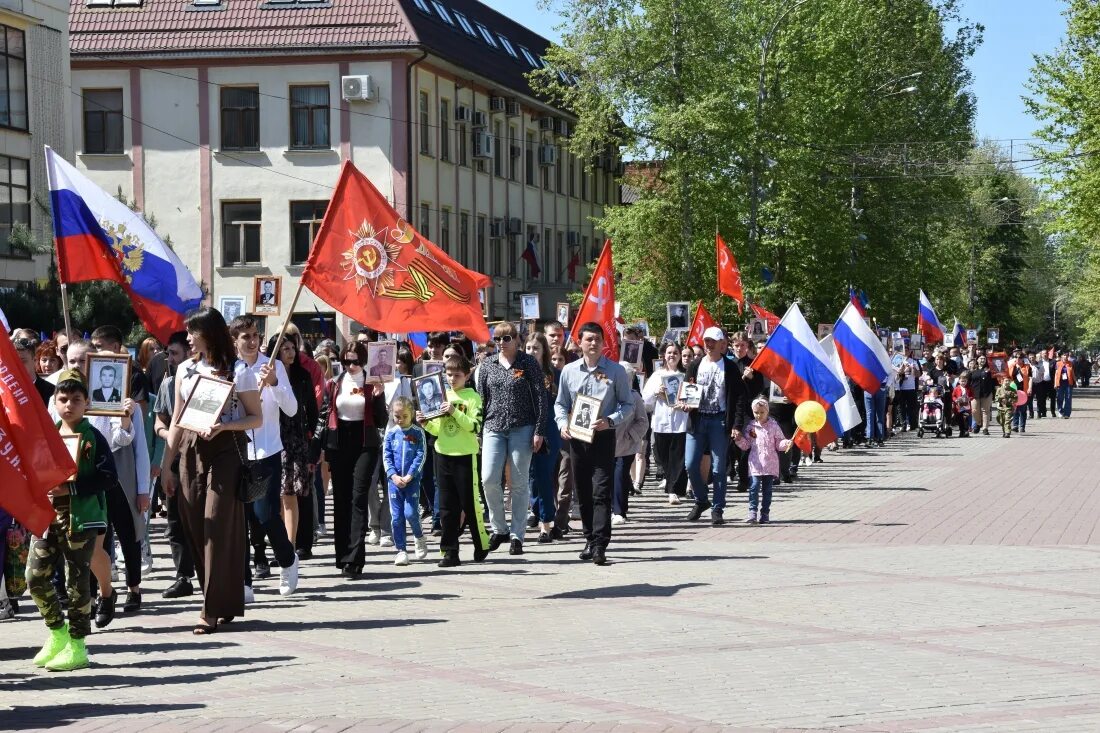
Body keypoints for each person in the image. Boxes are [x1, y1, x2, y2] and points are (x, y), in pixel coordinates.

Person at [160, 308, 263, 634]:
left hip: (226, 452)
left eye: (193, 332)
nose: (188, 338)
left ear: (210, 333)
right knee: (195, 527)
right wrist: (165, 467)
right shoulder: (185, 370)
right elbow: (176, 419)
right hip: (190, 452)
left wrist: (224, 426)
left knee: (217, 527)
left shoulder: (239, 370)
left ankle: (210, 610)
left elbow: (255, 418)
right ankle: (223, 600)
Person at [28, 369, 115, 671]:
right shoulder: (50, 435)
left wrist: (72, 487)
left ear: (86, 403)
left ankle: (78, 645)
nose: (69, 405)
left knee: (77, 582)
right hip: (48, 516)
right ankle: (58, 633)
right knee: (35, 576)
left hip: (80, 518)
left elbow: (108, 478)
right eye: (63, 399)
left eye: (76, 400)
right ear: (55, 401)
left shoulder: (93, 438)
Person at [230, 316, 300, 598]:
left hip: (267, 449)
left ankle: (287, 559)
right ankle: (244, 581)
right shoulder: (229, 368)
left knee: (265, 514)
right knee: (240, 519)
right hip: (237, 452)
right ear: (234, 340)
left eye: (255, 335)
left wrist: (273, 384)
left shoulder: (274, 366)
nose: (252, 340)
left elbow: (292, 409)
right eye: (245, 336)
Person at [554, 322, 634, 566]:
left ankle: (600, 543)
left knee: (601, 491)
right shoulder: (569, 371)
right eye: (588, 339)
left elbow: (628, 405)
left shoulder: (616, 371)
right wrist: (562, 424)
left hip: (603, 437)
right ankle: (589, 539)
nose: (593, 343)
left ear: (603, 342)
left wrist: (610, 420)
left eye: (597, 339)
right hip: (577, 438)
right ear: (579, 342)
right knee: (584, 493)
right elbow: (560, 404)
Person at [312, 341, 388, 579]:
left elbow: (382, 421)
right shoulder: (335, 383)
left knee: (358, 497)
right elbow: (324, 413)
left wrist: (378, 397)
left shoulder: (372, 381)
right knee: (342, 500)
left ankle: (355, 558)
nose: (351, 365)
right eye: (346, 361)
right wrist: (318, 445)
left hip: (365, 442)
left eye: (355, 361)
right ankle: (342, 555)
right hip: (339, 441)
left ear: (363, 361)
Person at [476, 322, 547, 556]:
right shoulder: (487, 365)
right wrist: (478, 431)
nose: (501, 343)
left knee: (518, 482)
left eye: (506, 338)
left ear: (517, 339)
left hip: (522, 428)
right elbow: (481, 401)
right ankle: (499, 528)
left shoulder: (528, 364)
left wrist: (539, 430)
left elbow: (540, 398)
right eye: (497, 339)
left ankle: (517, 535)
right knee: (488, 478)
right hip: (493, 427)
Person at [421, 353, 488, 566]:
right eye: (448, 375)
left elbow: (474, 426)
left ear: (467, 376)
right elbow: (438, 429)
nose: (452, 379)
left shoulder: (472, 397)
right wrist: (425, 424)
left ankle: (481, 544)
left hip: (465, 456)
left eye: (457, 375)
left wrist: (454, 412)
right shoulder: (442, 395)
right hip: (443, 454)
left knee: (470, 504)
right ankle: (450, 551)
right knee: (447, 507)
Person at [682, 326, 747, 526]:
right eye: (706, 341)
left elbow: (739, 398)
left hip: (719, 421)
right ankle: (702, 500)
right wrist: (685, 403)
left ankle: (718, 508)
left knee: (719, 469)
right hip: (697, 419)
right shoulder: (695, 365)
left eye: (713, 341)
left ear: (722, 344)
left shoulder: (730, 367)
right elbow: (687, 390)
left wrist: (736, 424)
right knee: (691, 464)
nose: (709, 345)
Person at [152, 331, 196, 598]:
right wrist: (169, 434)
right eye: (168, 353)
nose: (170, 359)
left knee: (200, 519)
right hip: (174, 457)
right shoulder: (167, 384)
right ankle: (183, 576)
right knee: (175, 521)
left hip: (200, 459)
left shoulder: (205, 381)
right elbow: (160, 420)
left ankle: (209, 574)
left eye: (175, 354)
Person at [267, 335, 318, 560]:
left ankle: (291, 545)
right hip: (271, 437)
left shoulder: (302, 376)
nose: (290, 352)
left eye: (292, 348)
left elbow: (312, 411)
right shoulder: (266, 375)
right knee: (274, 496)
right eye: (284, 348)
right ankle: (279, 542)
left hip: (295, 440)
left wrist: (312, 440)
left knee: (290, 494)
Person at [383, 397, 428, 566]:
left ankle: (418, 536)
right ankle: (401, 550)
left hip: (412, 481)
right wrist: (393, 476)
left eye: (404, 416)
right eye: (397, 416)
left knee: (411, 513)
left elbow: (420, 456)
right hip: (394, 482)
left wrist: (410, 475)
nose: (400, 420)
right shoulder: (391, 433)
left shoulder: (417, 432)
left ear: (412, 415)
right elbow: (386, 457)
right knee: (396, 517)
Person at [525, 333, 561, 543]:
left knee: (543, 475)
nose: (531, 352)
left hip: (549, 430)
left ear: (544, 351)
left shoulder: (554, 374)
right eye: (528, 348)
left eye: (536, 348)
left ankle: (546, 524)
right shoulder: (519, 373)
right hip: (525, 430)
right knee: (532, 477)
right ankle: (543, 514)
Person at [643, 341, 689, 504]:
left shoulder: (686, 376)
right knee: (664, 458)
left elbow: (692, 400)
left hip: (680, 423)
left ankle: (672, 491)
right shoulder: (656, 376)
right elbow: (646, 402)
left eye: (675, 352)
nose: (672, 355)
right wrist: (657, 392)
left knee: (678, 458)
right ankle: (673, 486)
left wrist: (685, 404)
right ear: (663, 355)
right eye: (669, 352)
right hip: (661, 422)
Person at [734, 398, 791, 524]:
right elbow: (747, 445)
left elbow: (779, 442)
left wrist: (785, 443)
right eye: (756, 412)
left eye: (761, 412)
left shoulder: (774, 426)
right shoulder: (751, 427)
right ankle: (752, 512)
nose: (759, 415)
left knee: (767, 490)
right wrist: (738, 440)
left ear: (767, 412)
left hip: (770, 463)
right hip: (755, 462)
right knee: (754, 487)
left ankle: (765, 513)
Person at [611, 364, 650, 526]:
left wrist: (630, 435)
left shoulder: (634, 397)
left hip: (626, 445)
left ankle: (619, 512)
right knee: (611, 477)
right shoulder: (609, 395)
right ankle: (616, 508)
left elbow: (643, 422)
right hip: (608, 443)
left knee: (620, 475)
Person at [952, 372, 974, 437]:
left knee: (966, 418)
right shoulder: (956, 388)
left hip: (966, 406)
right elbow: (953, 396)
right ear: (959, 381)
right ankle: (962, 431)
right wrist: (956, 400)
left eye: (965, 381)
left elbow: (972, 396)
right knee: (960, 419)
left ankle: (966, 431)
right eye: (962, 381)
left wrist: (969, 398)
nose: (963, 383)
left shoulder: (969, 388)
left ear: (967, 381)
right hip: (959, 407)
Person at [1054, 351, 1075, 418]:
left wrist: (1076, 381)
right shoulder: (1057, 363)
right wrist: (1055, 383)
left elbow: (1073, 373)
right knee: (1060, 398)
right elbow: (1056, 374)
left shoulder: (1070, 363)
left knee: (1068, 398)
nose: (1065, 357)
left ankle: (1067, 414)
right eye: (1064, 355)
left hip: (1068, 383)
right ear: (1061, 356)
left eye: (1066, 355)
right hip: (1060, 384)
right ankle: (1060, 411)